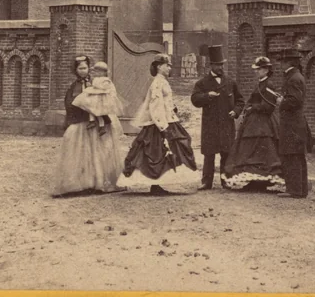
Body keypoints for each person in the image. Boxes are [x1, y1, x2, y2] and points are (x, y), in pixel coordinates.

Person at [118, 54, 199, 195]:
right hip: (160, 123)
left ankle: (158, 184)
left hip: (168, 119)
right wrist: (163, 127)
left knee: (165, 153)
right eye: (167, 65)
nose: (169, 68)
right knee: (157, 153)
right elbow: (155, 107)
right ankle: (155, 185)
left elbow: (165, 103)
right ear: (158, 66)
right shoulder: (157, 83)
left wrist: (172, 109)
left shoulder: (163, 82)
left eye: (169, 65)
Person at [51, 55, 125, 196]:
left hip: (96, 122)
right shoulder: (74, 86)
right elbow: (70, 103)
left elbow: (103, 99)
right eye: (80, 68)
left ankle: (99, 182)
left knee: (98, 151)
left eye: (85, 68)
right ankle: (82, 183)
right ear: (76, 70)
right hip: (81, 121)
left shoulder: (96, 83)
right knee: (80, 151)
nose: (83, 71)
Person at [221, 56, 287, 192]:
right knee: (250, 151)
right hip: (254, 123)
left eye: (259, 69)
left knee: (261, 152)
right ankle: (253, 181)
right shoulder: (261, 83)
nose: (256, 72)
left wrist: (253, 107)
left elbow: (269, 107)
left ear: (266, 70)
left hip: (263, 124)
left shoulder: (268, 85)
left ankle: (260, 182)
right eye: (256, 69)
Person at [191, 45, 244, 190]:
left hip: (227, 123)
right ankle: (206, 182)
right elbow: (194, 99)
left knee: (226, 153)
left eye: (222, 65)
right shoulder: (202, 83)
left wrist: (236, 111)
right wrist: (207, 96)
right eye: (218, 65)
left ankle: (226, 180)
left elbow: (240, 100)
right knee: (209, 154)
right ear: (212, 66)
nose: (221, 68)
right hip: (210, 124)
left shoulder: (230, 82)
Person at [277, 50, 312, 198]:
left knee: (292, 156)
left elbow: (295, 101)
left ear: (288, 62)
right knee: (297, 156)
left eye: (282, 61)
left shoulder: (293, 79)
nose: (280, 64)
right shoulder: (296, 77)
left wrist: (281, 102)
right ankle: (300, 190)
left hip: (292, 124)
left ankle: (294, 190)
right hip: (296, 123)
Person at [72, 61, 126, 138]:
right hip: (96, 98)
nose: (97, 73)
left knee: (99, 113)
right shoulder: (96, 79)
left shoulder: (105, 80)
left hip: (102, 100)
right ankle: (92, 121)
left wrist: (97, 86)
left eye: (99, 71)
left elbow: (105, 88)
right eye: (96, 71)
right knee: (90, 108)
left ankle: (102, 126)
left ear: (104, 72)